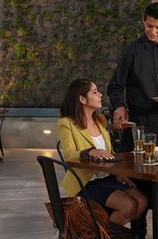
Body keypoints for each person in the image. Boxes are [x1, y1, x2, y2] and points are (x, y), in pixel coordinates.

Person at [59, 78, 148, 226]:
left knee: (142, 201)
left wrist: (118, 173)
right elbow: (69, 156)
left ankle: (105, 234)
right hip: (87, 182)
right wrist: (90, 152)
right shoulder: (67, 123)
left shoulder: (100, 120)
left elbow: (109, 152)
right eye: (95, 92)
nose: (100, 95)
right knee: (128, 205)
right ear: (82, 99)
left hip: (108, 177)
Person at [108, 1, 158, 151]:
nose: (153, 32)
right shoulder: (132, 51)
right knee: (135, 170)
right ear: (143, 20)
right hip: (138, 122)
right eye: (149, 26)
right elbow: (115, 86)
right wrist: (119, 106)